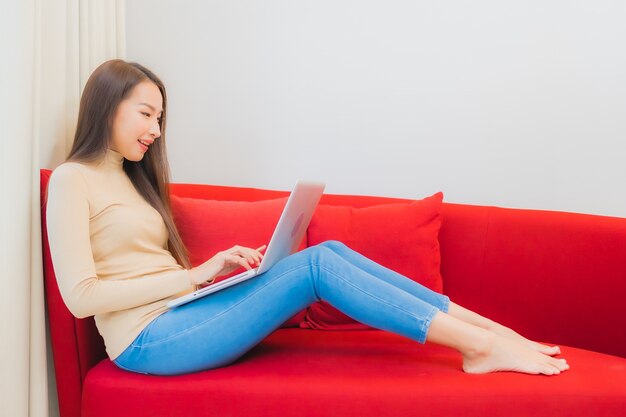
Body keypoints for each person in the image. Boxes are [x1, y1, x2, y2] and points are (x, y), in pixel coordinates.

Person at [46, 59, 569, 377]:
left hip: (181, 313)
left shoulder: (132, 180)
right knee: (316, 266)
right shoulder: (74, 180)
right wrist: (195, 275)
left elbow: (148, 271)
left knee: (330, 253)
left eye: (160, 117)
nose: (156, 129)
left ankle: (496, 332)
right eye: (146, 114)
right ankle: (479, 348)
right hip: (146, 341)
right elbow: (81, 297)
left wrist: (209, 276)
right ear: (107, 106)